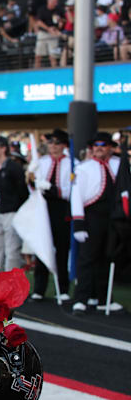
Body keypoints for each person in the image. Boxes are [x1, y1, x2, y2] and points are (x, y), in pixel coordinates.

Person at [71, 132, 124, 314]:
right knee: (87, 258)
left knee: (107, 257)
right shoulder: (83, 168)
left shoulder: (119, 164)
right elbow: (76, 196)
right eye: (96, 145)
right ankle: (81, 299)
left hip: (115, 216)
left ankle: (104, 299)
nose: (99, 147)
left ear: (110, 147)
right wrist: (79, 222)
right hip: (92, 216)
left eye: (103, 144)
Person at [29, 129, 73, 302]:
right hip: (43, 207)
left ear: (63, 145)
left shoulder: (71, 163)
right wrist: (33, 180)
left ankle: (62, 288)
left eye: (56, 143)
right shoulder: (41, 162)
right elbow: (32, 185)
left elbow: (72, 188)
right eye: (50, 143)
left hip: (61, 207)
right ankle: (39, 289)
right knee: (42, 247)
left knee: (61, 249)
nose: (53, 147)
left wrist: (53, 188)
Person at [0, 135, 28, 271]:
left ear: (3, 148)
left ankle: (12, 285)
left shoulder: (14, 167)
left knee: (12, 251)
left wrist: (18, 209)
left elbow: (23, 191)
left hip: (12, 212)